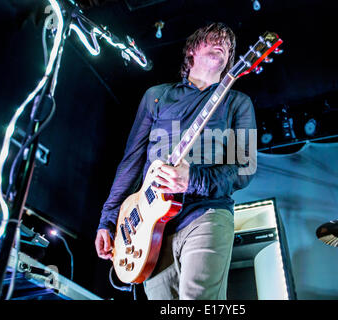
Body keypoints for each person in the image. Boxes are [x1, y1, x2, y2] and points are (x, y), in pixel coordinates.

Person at [95, 22, 257, 300]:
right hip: (150, 228)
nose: (223, 43)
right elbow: (131, 162)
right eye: (213, 38)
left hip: (207, 213)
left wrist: (191, 179)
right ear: (192, 50)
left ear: (231, 60)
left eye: (228, 44)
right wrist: (107, 221)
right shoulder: (156, 96)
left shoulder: (238, 102)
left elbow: (245, 168)